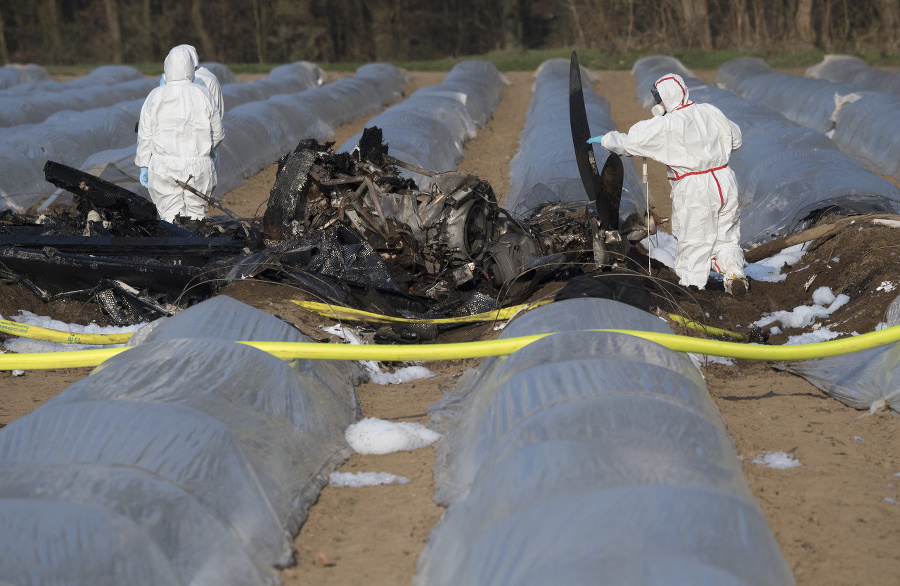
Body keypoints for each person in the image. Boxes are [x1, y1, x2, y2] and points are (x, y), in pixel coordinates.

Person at [588, 72, 749, 293]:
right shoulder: (710, 111)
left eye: (659, 98)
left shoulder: (669, 124)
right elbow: (736, 139)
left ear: (667, 97)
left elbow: (632, 142)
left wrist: (607, 140)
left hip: (695, 187)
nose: (658, 103)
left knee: (693, 242)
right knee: (727, 238)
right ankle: (734, 276)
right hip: (724, 180)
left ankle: (693, 291)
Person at [136, 45, 223, 223]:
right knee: (197, 218)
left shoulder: (155, 95)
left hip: (163, 167)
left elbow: (145, 136)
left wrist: (144, 164)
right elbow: (218, 133)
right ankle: (196, 247)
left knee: (169, 218)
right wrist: (205, 151)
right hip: (198, 166)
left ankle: (173, 247)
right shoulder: (203, 93)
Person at [159, 44, 224, 176]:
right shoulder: (210, 79)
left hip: (178, 152)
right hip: (199, 152)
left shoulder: (205, 81)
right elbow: (217, 123)